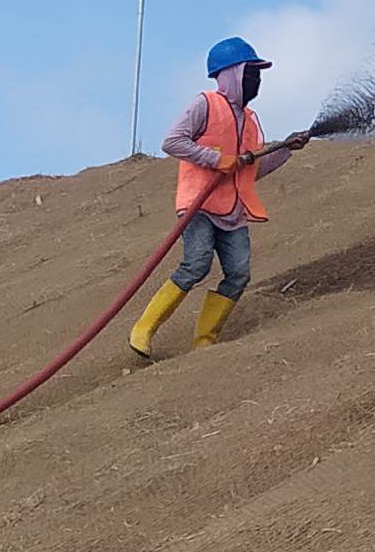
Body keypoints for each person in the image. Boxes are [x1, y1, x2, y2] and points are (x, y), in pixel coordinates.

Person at [127, 34, 306, 364]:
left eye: (258, 74)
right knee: (196, 264)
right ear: (232, 74)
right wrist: (214, 159)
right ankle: (144, 328)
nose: (256, 80)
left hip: (234, 210)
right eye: (251, 73)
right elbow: (172, 142)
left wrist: (284, 151)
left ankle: (205, 340)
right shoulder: (205, 104)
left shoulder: (251, 120)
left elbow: (251, 170)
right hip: (199, 205)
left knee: (239, 273)